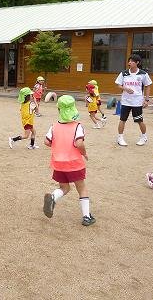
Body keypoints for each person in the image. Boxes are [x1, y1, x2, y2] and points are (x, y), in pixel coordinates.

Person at [42, 95, 96, 226]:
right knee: (81, 188)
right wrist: (84, 153)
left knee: (64, 187)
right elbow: (79, 143)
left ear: (59, 110)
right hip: (74, 163)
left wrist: (58, 145)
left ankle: (54, 197)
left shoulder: (54, 126)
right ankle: (86, 216)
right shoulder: (77, 126)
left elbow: (46, 142)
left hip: (58, 163)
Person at [115, 54, 152, 146]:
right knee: (122, 119)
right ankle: (120, 137)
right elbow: (118, 84)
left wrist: (146, 100)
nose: (129, 63)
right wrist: (125, 88)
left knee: (139, 120)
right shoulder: (124, 73)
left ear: (137, 63)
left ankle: (144, 137)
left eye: (132, 61)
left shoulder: (143, 74)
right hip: (125, 101)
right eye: (129, 61)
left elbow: (148, 86)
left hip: (137, 102)